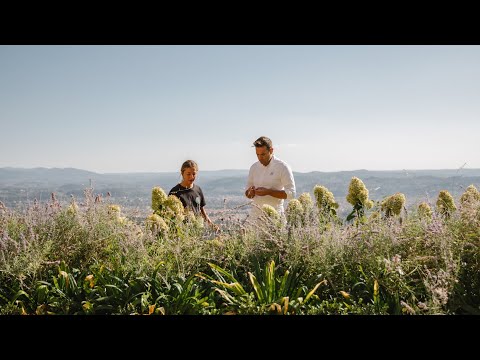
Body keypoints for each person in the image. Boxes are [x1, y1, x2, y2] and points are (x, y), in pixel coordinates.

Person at [245, 136, 296, 221]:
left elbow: (291, 194)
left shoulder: (282, 167)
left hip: (275, 217)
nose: (260, 158)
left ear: (271, 150)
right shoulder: (254, 167)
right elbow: (247, 194)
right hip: (255, 218)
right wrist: (250, 192)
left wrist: (268, 192)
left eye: (263, 154)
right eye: (257, 154)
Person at [169, 160, 219, 231]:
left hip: (197, 230)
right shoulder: (175, 192)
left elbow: (202, 211)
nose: (192, 177)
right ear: (182, 173)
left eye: (194, 174)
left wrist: (211, 225)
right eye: (188, 174)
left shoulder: (198, 189)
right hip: (181, 231)